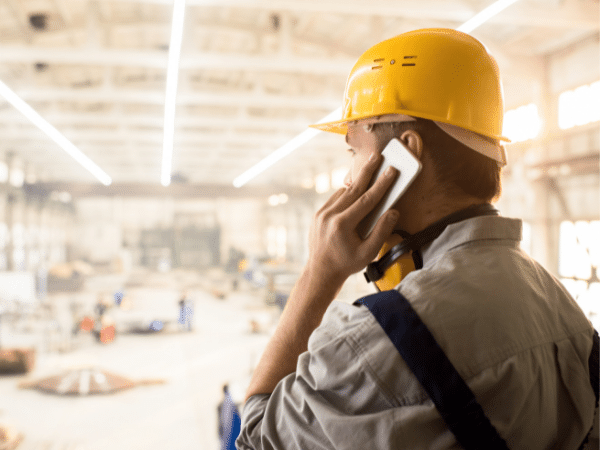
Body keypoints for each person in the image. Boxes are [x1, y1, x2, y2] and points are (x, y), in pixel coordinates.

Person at [236, 28, 598, 449]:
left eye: (354, 151)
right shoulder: (563, 312)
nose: (349, 178)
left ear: (405, 154)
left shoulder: (378, 340)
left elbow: (256, 438)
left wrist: (319, 275)